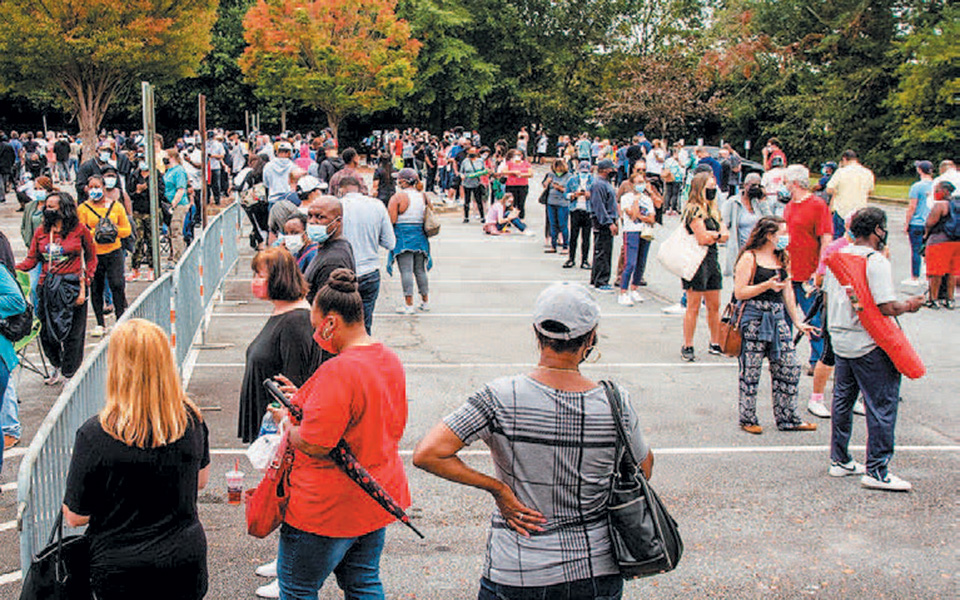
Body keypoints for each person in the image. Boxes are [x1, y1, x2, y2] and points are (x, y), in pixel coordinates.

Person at [413, 283, 652, 600]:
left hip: (518, 568)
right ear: (591, 338)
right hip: (596, 568)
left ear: (536, 334)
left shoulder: (500, 396)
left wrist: (498, 489)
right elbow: (643, 470)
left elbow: (428, 453)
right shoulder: (615, 402)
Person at [270, 268, 410, 600]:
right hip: (376, 493)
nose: (315, 331)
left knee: (298, 588)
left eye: (316, 324)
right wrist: (303, 399)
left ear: (331, 322)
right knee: (363, 582)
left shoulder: (339, 369)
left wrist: (287, 425)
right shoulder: (388, 358)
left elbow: (317, 442)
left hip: (327, 506)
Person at [62, 319, 210, 600]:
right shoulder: (191, 420)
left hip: (121, 567)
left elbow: (76, 516)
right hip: (183, 558)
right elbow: (201, 480)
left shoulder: (96, 433)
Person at [824, 207, 924, 491]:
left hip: (842, 337)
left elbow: (829, 297)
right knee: (881, 403)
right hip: (869, 342)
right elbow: (885, 306)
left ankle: (840, 459)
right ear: (878, 230)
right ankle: (878, 469)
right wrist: (910, 305)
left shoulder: (837, 258)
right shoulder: (875, 260)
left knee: (843, 400)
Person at [733, 216, 818, 434]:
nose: (786, 238)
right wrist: (765, 285)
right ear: (769, 235)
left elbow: (788, 290)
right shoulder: (749, 257)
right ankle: (748, 417)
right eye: (782, 233)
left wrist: (797, 320)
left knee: (788, 367)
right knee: (750, 372)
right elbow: (739, 292)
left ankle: (788, 416)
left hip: (778, 316)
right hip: (754, 317)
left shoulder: (783, 257)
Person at [239, 248, 321, 445]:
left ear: (278, 279)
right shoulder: (283, 312)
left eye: (260, 275)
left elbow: (294, 381)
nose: (255, 281)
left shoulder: (295, 321)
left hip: (278, 430)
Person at [17, 192, 97, 385]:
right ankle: (56, 364)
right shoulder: (41, 232)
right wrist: (12, 268)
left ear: (65, 209)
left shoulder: (79, 230)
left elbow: (92, 256)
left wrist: (87, 278)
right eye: (47, 206)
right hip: (47, 287)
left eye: (53, 206)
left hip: (72, 288)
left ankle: (70, 373)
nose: (48, 209)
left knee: (74, 333)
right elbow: (31, 259)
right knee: (47, 331)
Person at [782, 164, 833, 373]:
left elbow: (826, 239)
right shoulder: (789, 206)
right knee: (785, 317)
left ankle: (818, 360)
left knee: (813, 317)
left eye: (786, 182)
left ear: (794, 183)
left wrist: (819, 270)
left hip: (808, 271)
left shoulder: (817, 205)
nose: (784, 185)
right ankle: (784, 356)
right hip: (788, 270)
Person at [680, 172, 729, 361]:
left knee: (714, 304)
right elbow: (702, 237)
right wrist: (717, 235)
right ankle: (688, 344)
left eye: (713, 187)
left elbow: (723, 231)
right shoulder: (693, 210)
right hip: (696, 260)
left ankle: (715, 341)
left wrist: (715, 235)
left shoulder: (713, 209)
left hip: (711, 258)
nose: (712, 191)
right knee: (693, 305)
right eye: (709, 187)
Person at [338, 176, 396, 333]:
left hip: (342, 272)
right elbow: (390, 243)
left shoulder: (337, 207)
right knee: (364, 325)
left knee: (341, 324)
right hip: (369, 271)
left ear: (341, 190)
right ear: (360, 188)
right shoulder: (377, 206)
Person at [78, 174, 131, 337]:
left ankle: (120, 318)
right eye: (91, 187)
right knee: (96, 287)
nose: (94, 190)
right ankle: (100, 322)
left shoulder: (116, 207)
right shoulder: (83, 209)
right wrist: (97, 233)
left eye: (97, 187)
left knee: (117, 284)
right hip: (94, 253)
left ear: (104, 188)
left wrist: (113, 232)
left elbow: (126, 229)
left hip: (114, 251)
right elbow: (81, 231)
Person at [387, 168, 432, 314]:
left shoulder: (398, 197)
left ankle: (409, 304)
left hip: (403, 235)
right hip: (420, 235)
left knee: (406, 270)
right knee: (420, 270)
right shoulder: (423, 196)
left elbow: (391, 219)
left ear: (403, 181)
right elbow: (429, 213)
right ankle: (425, 301)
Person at [304, 196, 356, 305]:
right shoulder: (331, 247)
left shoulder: (333, 261)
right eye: (310, 216)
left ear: (337, 221)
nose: (313, 222)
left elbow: (328, 306)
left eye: (320, 217)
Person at [722, 173, 772, 277]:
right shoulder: (733, 202)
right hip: (740, 250)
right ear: (745, 185)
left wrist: (763, 202)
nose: (755, 188)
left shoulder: (758, 203)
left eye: (758, 185)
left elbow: (770, 222)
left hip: (757, 250)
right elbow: (723, 224)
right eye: (753, 185)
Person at [618, 174, 656, 306]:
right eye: (639, 182)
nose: (642, 185)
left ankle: (634, 288)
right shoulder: (626, 198)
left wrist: (641, 216)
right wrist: (635, 202)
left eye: (643, 182)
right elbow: (632, 216)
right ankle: (623, 291)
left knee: (641, 262)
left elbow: (652, 218)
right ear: (632, 184)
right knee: (630, 263)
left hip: (645, 231)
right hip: (631, 231)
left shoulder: (647, 199)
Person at [127, 156, 166, 281]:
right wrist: (137, 191)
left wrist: (148, 189)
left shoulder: (156, 174)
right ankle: (135, 269)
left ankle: (152, 268)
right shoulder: (134, 175)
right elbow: (129, 193)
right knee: (137, 240)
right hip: (138, 211)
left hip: (151, 212)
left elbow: (161, 192)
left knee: (152, 240)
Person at [924, 180, 960, 309]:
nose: (935, 193)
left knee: (936, 272)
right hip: (957, 242)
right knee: (953, 272)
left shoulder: (940, 205)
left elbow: (930, 222)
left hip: (939, 242)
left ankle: (933, 299)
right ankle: (950, 299)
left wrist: (925, 234)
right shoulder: (957, 204)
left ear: (944, 191)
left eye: (937, 190)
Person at [825, 149, 875, 238]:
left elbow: (829, 189)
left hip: (842, 210)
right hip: (860, 211)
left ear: (844, 159)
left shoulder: (841, 172)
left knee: (839, 239)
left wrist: (837, 191)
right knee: (858, 238)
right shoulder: (867, 173)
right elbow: (870, 191)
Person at [588, 159, 618, 290]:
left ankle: (596, 278)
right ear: (604, 170)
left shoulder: (605, 183)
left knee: (603, 250)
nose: (613, 171)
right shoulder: (599, 185)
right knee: (603, 251)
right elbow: (599, 206)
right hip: (602, 221)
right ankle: (601, 280)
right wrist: (608, 222)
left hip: (606, 219)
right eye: (611, 169)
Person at [903, 160, 934, 286]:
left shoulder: (917, 186)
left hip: (917, 222)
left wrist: (906, 223)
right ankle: (929, 275)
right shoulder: (935, 185)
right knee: (929, 251)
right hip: (931, 221)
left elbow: (912, 207)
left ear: (920, 170)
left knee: (915, 250)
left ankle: (915, 276)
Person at [564, 161, 593, 269]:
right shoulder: (572, 180)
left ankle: (584, 260)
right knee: (573, 236)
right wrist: (573, 195)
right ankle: (571, 259)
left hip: (588, 210)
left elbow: (596, 195)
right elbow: (566, 194)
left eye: (586, 171)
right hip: (575, 209)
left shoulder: (593, 181)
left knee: (586, 237)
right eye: (582, 171)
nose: (584, 173)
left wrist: (589, 194)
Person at [163, 149, 191, 261]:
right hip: (168, 203)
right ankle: (174, 254)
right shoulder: (168, 171)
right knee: (171, 232)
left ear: (172, 157)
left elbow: (180, 189)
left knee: (176, 230)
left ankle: (179, 257)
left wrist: (173, 204)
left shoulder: (179, 171)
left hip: (178, 204)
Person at [543, 159, 572, 254]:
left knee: (563, 225)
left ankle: (565, 246)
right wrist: (547, 182)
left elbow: (569, 190)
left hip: (562, 203)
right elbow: (544, 185)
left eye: (559, 168)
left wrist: (559, 187)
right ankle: (553, 245)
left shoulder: (569, 176)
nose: (557, 171)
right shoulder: (551, 175)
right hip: (551, 202)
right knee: (553, 224)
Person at [498, 150, 533, 220]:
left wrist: (521, 174)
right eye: (515, 155)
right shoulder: (509, 163)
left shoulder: (526, 164)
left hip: (523, 185)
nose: (517, 157)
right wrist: (513, 172)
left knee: (521, 203)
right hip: (511, 185)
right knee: (510, 203)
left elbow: (531, 174)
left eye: (519, 155)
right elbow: (504, 172)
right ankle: (508, 219)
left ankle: (520, 218)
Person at [460, 147, 488, 223]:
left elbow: (484, 170)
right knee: (467, 200)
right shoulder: (465, 161)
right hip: (467, 182)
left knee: (479, 200)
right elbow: (461, 171)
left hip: (476, 183)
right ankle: (466, 217)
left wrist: (481, 174)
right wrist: (462, 176)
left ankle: (482, 216)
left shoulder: (480, 161)